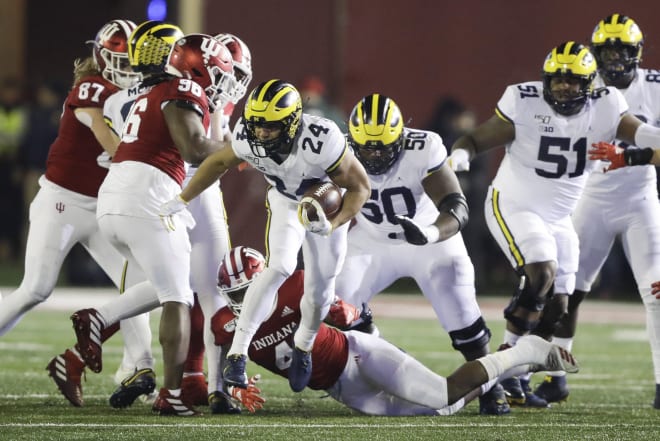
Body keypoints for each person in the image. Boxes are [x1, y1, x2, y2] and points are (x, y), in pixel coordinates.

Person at [447, 40, 660, 407]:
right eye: (557, 79)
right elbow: (475, 138)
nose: (563, 87)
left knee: (560, 310)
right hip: (514, 204)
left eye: (573, 81)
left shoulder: (607, 106)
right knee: (542, 274)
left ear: (590, 83)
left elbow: (644, 135)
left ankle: (513, 372)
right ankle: (503, 368)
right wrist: (461, 155)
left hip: (560, 218)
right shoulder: (524, 101)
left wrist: (640, 148)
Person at [159, 78, 371, 393]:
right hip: (286, 199)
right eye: (256, 124)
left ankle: (305, 345)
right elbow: (217, 162)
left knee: (321, 291)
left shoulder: (322, 140)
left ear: (292, 123)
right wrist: (182, 198)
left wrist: (333, 223)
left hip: (326, 205)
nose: (260, 133)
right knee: (279, 265)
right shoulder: (248, 135)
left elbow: (360, 187)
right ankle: (238, 353)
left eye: (269, 126)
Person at [69, 33, 236, 417]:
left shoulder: (150, 90)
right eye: (217, 70)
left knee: (172, 288)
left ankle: (101, 318)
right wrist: (239, 147)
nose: (220, 80)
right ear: (198, 66)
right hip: (149, 197)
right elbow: (194, 149)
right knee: (179, 299)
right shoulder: (182, 88)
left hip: (115, 197)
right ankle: (172, 395)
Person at [211, 245, 580, 416]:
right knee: (444, 410)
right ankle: (523, 361)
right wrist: (232, 390)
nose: (243, 300)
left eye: (247, 290)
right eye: (235, 294)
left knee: (441, 395)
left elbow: (342, 312)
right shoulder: (225, 327)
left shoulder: (296, 286)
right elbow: (221, 377)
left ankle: (525, 352)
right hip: (340, 390)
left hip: (357, 355)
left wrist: (343, 309)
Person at [0, 20, 150, 408]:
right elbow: (110, 141)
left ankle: (137, 368)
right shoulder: (91, 87)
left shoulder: (139, 91)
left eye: (133, 60)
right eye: (121, 60)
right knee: (36, 288)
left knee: (137, 286)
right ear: (102, 57)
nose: (129, 68)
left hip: (103, 208)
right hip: (62, 203)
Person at [334, 93, 509, 415]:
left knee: (462, 315)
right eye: (366, 146)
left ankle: (491, 386)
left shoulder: (423, 147)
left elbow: (456, 206)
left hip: (429, 238)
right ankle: (383, 360)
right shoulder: (337, 150)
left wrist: (428, 233)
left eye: (382, 146)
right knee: (337, 309)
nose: (373, 154)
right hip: (371, 241)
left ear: (401, 138)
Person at [535, 15, 660, 409]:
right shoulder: (583, 87)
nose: (616, 58)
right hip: (589, 197)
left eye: (623, 49)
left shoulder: (654, 88)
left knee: (657, 293)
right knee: (567, 291)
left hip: (640, 198)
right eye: (607, 50)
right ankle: (556, 376)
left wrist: (631, 157)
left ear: (637, 52)